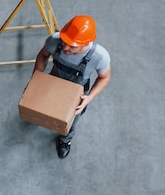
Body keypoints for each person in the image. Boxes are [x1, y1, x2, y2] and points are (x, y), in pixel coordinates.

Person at [33, 15, 111, 158]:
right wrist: (36, 79)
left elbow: (104, 77)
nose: (65, 48)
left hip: (78, 92)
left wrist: (89, 98)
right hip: (53, 81)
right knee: (42, 106)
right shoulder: (54, 40)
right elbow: (42, 56)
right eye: (64, 42)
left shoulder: (99, 57)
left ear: (87, 43)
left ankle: (65, 141)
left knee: (71, 122)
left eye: (72, 46)